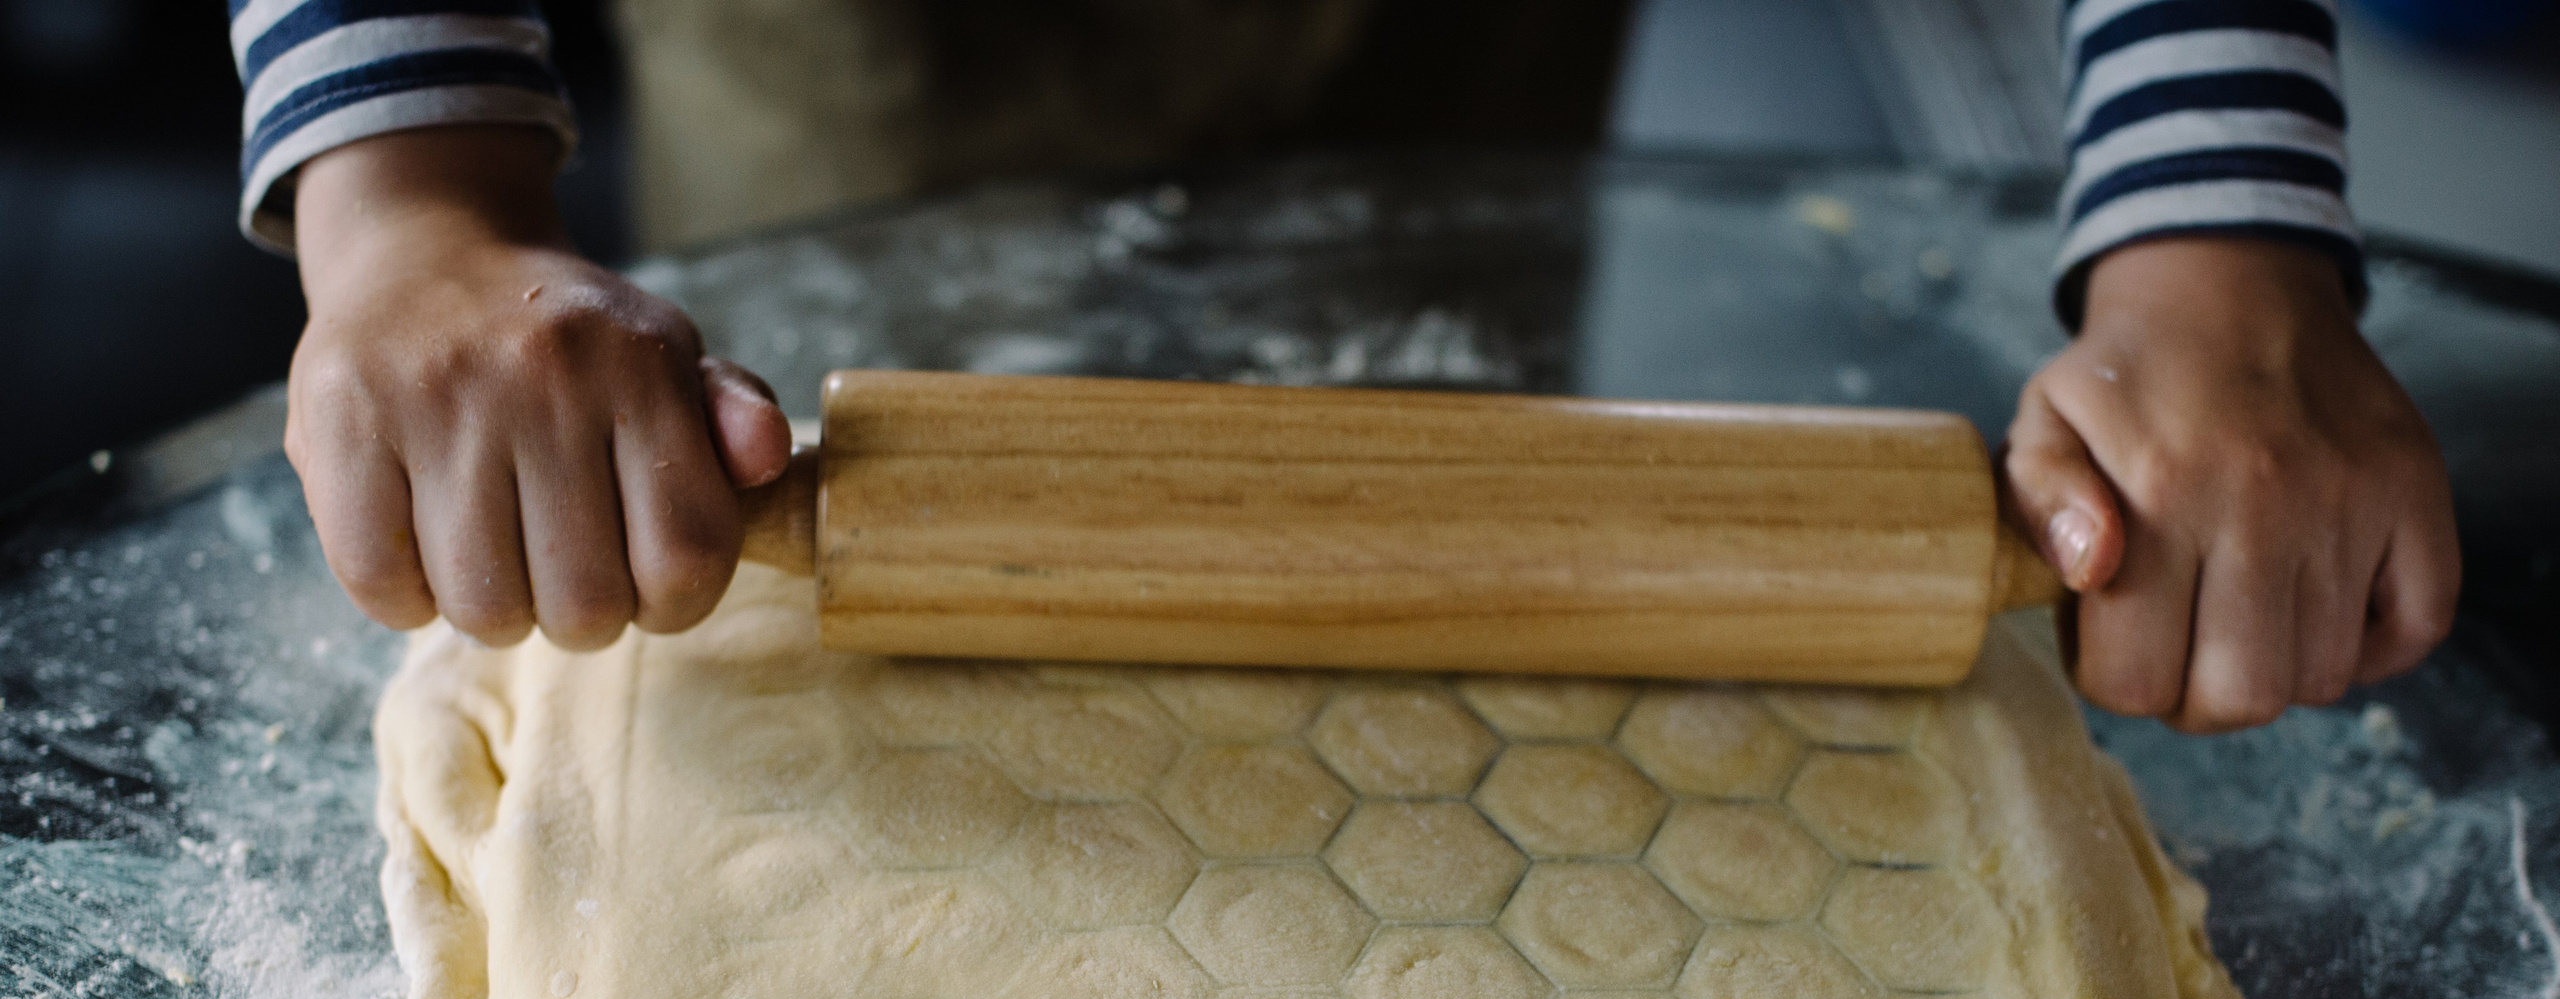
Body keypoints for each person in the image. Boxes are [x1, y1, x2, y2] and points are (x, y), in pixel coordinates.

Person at [229, 0, 2459, 733]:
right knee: (814, 667)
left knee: (1429, 517)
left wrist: (2215, 246)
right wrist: (406, 195)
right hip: (890, 47)